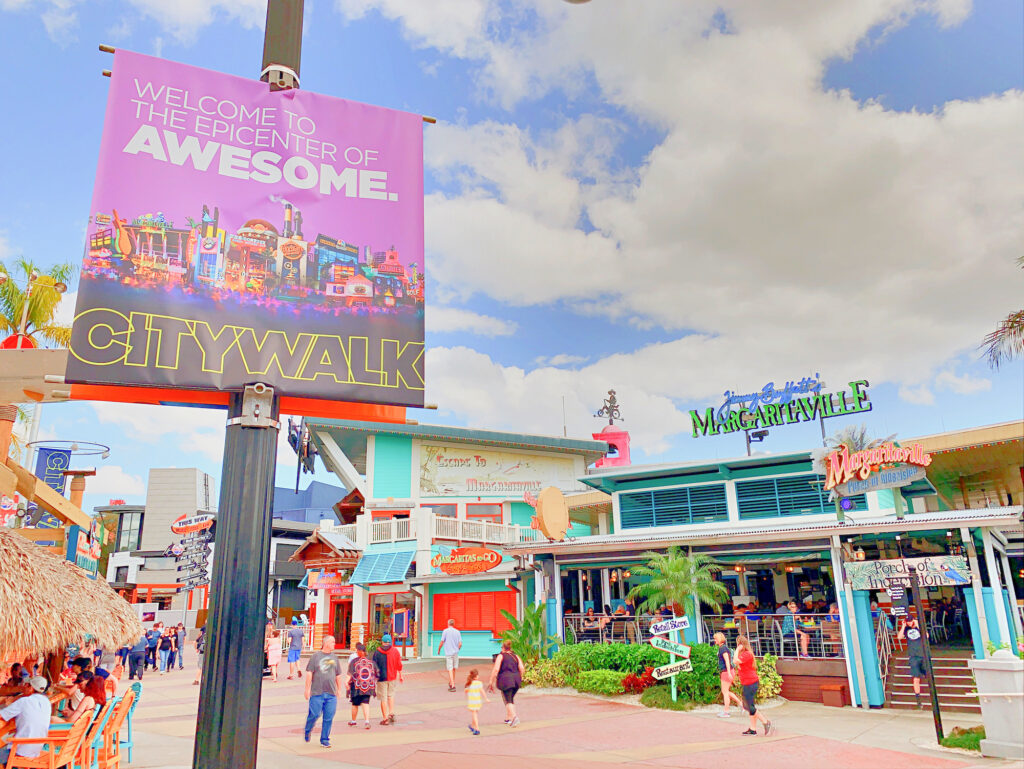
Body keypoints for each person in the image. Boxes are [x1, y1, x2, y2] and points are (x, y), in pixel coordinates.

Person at [304, 634, 343, 749]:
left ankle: (325, 739)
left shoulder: (335, 657)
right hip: (317, 692)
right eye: (333, 642)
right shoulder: (315, 656)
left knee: (328, 717)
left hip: (331, 693)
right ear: (326, 643)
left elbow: (338, 674)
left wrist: (339, 689)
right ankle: (308, 729)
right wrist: (307, 689)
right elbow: (309, 673)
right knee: (315, 714)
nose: (334, 644)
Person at [0, 677, 52, 765]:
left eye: (26, 685)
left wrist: (8, 704)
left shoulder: (24, 701)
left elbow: (2, 715)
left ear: (31, 688)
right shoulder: (46, 702)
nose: (24, 687)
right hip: (37, 749)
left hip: (20, 750)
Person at [735, 635, 773, 736]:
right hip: (747, 682)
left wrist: (737, 650)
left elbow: (735, 661)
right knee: (748, 705)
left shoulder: (746, 654)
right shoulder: (745, 654)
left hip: (750, 682)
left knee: (748, 706)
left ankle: (765, 722)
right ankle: (753, 729)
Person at [488, 640, 524, 727]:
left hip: (505, 680)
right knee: (510, 699)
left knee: (508, 700)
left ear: (503, 648)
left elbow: (496, 669)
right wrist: (521, 678)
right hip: (516, 680)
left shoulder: (501, 656)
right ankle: (508, 718)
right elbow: (522, 668)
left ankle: (514, 718)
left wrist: (491, 681)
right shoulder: (516, 656)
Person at [372, 635, 404, 725]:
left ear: (382, 642)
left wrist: (374, 677)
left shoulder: (377, 652)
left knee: (383, 698)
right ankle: (391, 713)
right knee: (390, 695)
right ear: (390, 642)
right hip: (392, 677)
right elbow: (399, 664)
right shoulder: (395, 651)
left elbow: (374, 666)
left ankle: (385, 718)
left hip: (381, 678)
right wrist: (401, 675)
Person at [897, 616, 928, 709]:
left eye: (911, 621)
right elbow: (899, 637)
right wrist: (903, 626)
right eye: (908, 622)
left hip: (922, 654)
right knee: (916, 678)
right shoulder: (906, 629)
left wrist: (917, 624)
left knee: (927, 673)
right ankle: (918, 699)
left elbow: (926, 636)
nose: (910, 623)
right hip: (913, 656)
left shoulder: (919, 627)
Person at [345, 643, 377, 730]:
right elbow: (376, 674)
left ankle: (353, 721)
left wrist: (346, 682)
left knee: (355, 704)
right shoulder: (371, 662)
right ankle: (367, 721)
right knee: (365, 703)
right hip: (368, 686)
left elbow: (350, 673)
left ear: (359, 651)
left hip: (356, 686)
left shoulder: (354, 661)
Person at [713, 632, 744, 718]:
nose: (714, 640)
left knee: (725, 692)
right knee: (726, 691)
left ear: (719, 639)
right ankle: (740, 704)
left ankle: (726, 712)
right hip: (727, 671)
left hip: (727, 672)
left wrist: (729, 673)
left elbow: (727, 661)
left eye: (716, 639)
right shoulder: (723, 648)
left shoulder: (723, 648)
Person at [438, 619, 462, 692]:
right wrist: (457, 649)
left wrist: (439, 649)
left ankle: (453, 685)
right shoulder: (457, 632)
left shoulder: (445, 631)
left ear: (448, 624)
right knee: (454, 668)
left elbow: (442, 641)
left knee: (450, 669)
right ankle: (451, 682)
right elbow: (460, 644)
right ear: (453, 624)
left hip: (448, 653)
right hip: (455, 653)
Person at [465, 669, 489, 735]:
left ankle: (477, 728)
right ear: (476, 676)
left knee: (474, 714)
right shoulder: (479, 683)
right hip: (478, 700)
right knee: (475, 713)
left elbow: (466, 691)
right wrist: (486, 698)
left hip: (472, 701)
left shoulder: (469, 683)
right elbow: (482, 691)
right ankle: (472, 726)